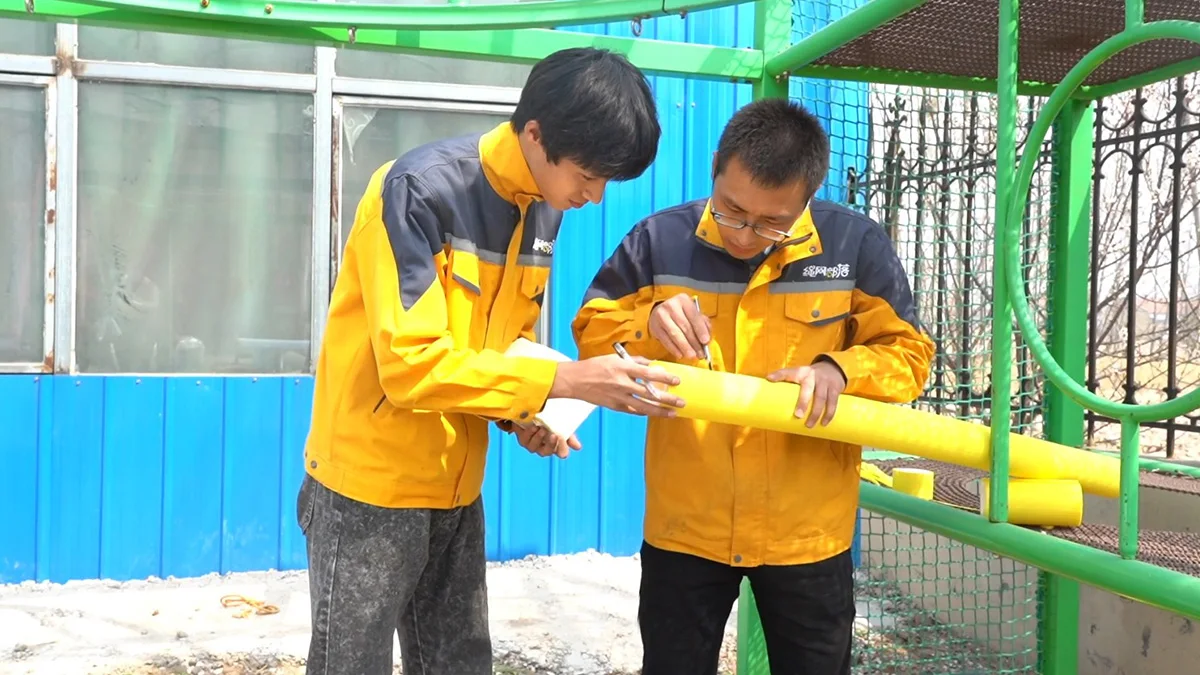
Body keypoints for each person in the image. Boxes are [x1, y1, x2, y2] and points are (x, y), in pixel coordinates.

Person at [297, 47, 686, 675]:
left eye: (607, 181)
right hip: (369, 489)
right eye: (589, 175)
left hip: (457, 487)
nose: (594, 195)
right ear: (535, 134)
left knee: (460, 663)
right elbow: (411, 365)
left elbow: (503, 344)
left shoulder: (544, 209)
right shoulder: (419, 190)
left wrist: (527, 413)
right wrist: (564, 378)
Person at [572, 98, 936, 675]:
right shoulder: (658, 240)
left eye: (772, 222)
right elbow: (593, 336)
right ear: (715, 166)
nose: (745, 236)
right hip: (687, 525)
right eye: (733, 210)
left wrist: (840, 370)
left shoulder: (854, 245)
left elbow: (910, 357)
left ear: (809, 196)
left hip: (807, 532)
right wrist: (649, 325)